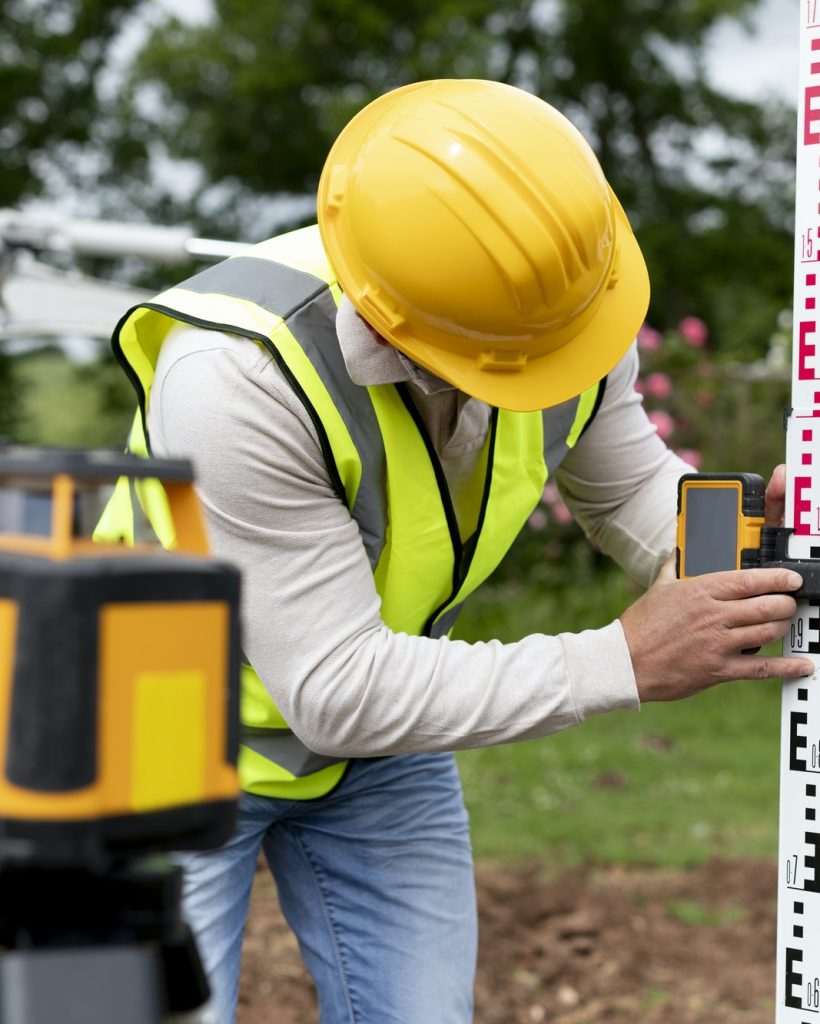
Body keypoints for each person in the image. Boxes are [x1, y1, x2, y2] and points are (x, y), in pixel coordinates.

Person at [109, 79, 812, 1023]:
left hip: (381, 742)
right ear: (407, 340)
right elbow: (337, 688)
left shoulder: (558, 300)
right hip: (151, 743)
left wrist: (762, 555)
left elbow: (625, 487)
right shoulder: (235, 380)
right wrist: (623, 661)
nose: (569, 360)